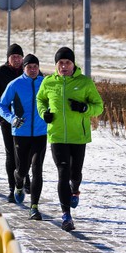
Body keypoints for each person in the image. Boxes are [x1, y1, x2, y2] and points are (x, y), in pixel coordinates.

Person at [36, 47, 103, 232]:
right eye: (60, 63)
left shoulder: (84, 83)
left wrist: (84, 109)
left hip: (78, 136)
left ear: (73, 64)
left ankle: (75, 189)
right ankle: (66, 215)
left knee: (75, 174)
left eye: (67, 63)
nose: (64, 66)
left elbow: (99, 107)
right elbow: (40, 100)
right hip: (57, 136)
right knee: (63, 172)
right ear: (56, 65)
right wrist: (44, 113)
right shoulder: (49, 82)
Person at [0, 54, 47, 220]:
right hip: (21, 134)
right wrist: (12, 119)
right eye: (29, 67)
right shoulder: (15, 84)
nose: (33, 70)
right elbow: (1, 105)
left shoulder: (45, 83)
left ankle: (34, 207)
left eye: (35, 67)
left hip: (41, 133)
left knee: (37, 168)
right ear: (24, 68)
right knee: (22, 169)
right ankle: (18, 184)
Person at [0, 43, 28, 203]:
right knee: (11, 153)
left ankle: (25, 179)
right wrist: (0, 103)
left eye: (19, 56)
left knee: (25, 153)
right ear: (8, 58)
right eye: (13, 57)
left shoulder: (29, 70)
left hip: (26, 120)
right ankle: (12, 188)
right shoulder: (1, 72)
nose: (16, 60)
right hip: (7, 119)